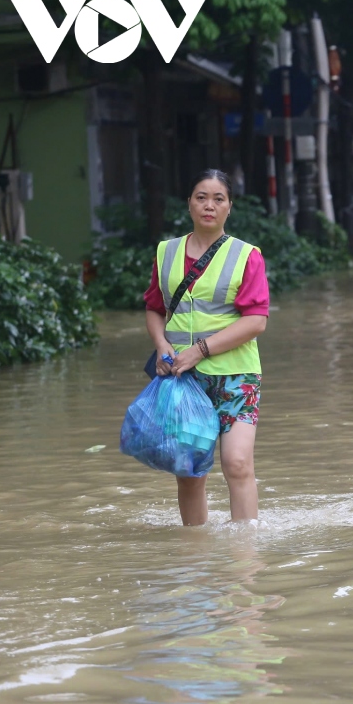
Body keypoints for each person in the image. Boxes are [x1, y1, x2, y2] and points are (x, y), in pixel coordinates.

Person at [143, 169, 268, 526]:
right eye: (201, 197)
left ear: (230, 207)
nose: (209, 205)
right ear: (189, 204)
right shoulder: (166, 252)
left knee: (238, 463)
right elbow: (154, 306)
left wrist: (200, 349)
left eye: (218, 199)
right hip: (183, 378)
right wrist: (161, 343)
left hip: (237, 375)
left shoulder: (247, 256)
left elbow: (256, 320)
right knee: (190, 472)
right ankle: (196, 556)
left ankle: (244, 560)